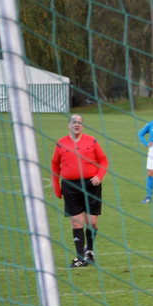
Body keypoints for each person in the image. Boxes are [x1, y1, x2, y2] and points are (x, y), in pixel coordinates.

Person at [51, 114, 108, 268]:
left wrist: (99, 176)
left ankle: (89, 250)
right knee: (76, 222)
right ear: (68, 125)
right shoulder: (61, 143)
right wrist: (56, 187)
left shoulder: (92, 141)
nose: (76, 124)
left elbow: (103, 161)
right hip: (71, 187)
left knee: (92, 222)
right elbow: (55, 165)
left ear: (82, 126)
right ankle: (80, 257)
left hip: (91, 185)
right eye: (73, 122)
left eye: (79, 122)